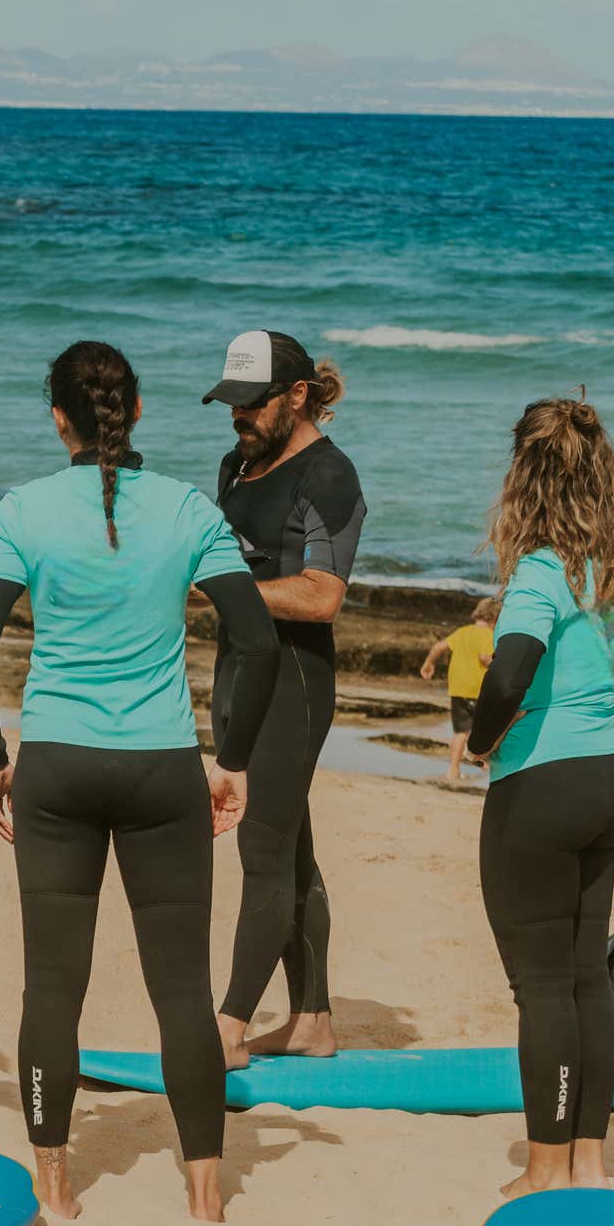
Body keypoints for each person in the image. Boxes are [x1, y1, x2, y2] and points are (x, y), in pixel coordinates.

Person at [0, 341, 279, 1222]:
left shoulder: (24, 510)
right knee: (182, 988)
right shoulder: (186, 509)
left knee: (52, 986)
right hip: (162, 768)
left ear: (57, 417)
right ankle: (206, 1194)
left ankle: (55, 1186)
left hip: (55, 767)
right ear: (135, 411)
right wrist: (232, 755)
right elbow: (256, 640)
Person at [467, 396, 614, 1199]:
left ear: (524, 474)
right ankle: (590, 1161)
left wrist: (490, 739)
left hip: (542, 788)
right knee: (587, 973)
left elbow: (511, 670)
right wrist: (600, 722)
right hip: (608, 781)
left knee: (543, 986)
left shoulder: (542, 571)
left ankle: (547, 1168)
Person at [202, 329, 366, 1070]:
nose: (238, 416)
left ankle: (230, 1026)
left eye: (250, 403)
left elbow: (321, 595)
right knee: (289, 849)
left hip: (295, 683)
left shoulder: (329, 476)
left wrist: (225, 592)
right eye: (231, 402)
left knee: (261, 846)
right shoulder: (236, 464)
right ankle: (311, 1020)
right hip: (237, 672)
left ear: (296, 396)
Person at [422, 597, 500, 781]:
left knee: (460, 732)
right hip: (478, 691)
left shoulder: (462, 632)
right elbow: (484, 657)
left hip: (457, 689)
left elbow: (439, 646)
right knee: (487, 729)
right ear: (496, 618)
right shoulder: (489, 635)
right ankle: (485, 764)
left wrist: (428, 663)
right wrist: (501, 665)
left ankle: (453, 770)